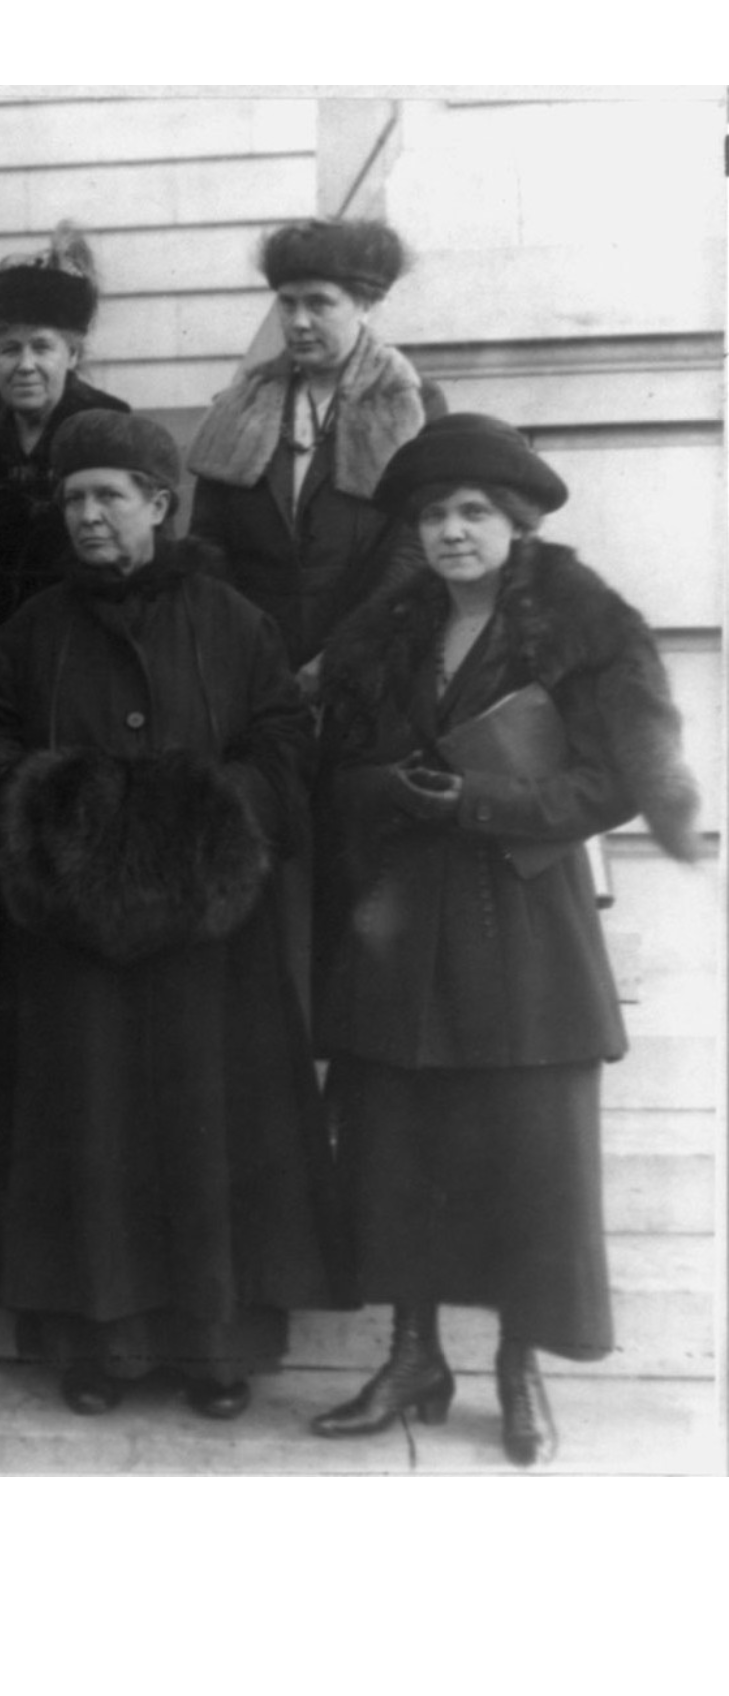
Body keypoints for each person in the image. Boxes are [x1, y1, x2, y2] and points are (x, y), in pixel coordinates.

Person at [311, 414, 701, 1468]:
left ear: (516, 523)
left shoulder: (577, 624)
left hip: (524, 930)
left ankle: (514, 1368)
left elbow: (612, 780)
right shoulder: (381, 633)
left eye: (473, 511)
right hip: (401, 931)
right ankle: (410, 1355)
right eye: (432, 513)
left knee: (525, 1158)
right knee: (395, 1145)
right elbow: (327, 770)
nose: (451, 530)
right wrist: (383, 790)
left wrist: (474, 799)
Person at [0, 411, 340, 1419]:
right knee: (89, 1131)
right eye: (74, 496)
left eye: (110, 495)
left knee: (206, 1127)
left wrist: (194, 837)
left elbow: (282, 752)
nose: (87, 514)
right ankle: (99, 1343)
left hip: (211, 939)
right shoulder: (28, 631)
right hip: (72, 943)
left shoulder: (236, 621)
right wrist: (70, 834)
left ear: (160, 505)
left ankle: (213, 1348)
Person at [187, 219, 445, 693]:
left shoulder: (411, 402)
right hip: (252, 670)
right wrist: (250, 653)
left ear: (365, 305)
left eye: (319, 303)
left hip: (370, 666)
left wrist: (344, 655)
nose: (299, 321)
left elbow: (415, 548)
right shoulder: (241, 403)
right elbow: (208, 542)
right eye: (287, 303)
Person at [0, 225, 130, 641]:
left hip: (85, 647)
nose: (25, 365)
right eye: (9, 349)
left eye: (42, 347)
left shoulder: (110, 431)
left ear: (72, 354)